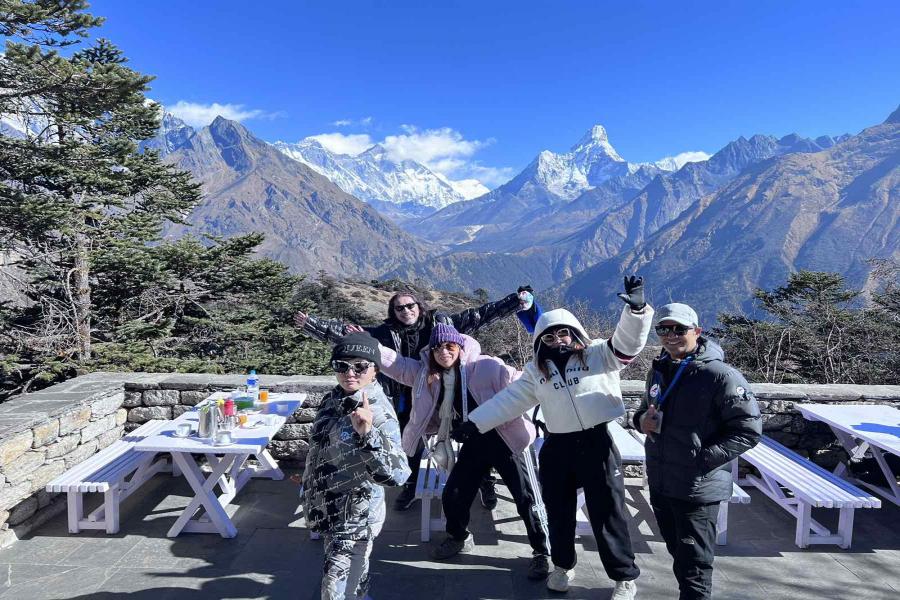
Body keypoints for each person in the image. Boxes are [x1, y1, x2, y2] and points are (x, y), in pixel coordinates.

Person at [456, 276, 652, 599]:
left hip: (597, 444)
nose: (557, 340)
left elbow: (627, 344)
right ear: (539, 341)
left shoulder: (599, 355)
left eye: (564, 333)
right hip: (557, 446)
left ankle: (623, 576)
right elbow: (509, 401)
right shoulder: (537, 372)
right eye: (548, 336)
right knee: (558, 511)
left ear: (575, 333)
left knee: (608, 513)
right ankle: (562, 566)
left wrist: (637, 311)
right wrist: (475, 423)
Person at [296, 286, 537, 511]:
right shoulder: (385, 333)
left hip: (450, 394)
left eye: (410, 305)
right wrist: (311, 325)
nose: (406, 311)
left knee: (476, 437)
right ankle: (410, 485)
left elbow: (480, 315)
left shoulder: (442, 323)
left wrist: (515, 302)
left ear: (419, 306)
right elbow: (352, 342)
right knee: (410, 439)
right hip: (409, 395)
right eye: (399, 308)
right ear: (393, 312)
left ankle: (485, 483)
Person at [377, 322, 552, 579]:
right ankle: (458, 536)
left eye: (449, 346)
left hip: (508, 441)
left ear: (459, 346)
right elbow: (398, 365)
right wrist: (370, 346)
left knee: (527, 499)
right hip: (473, 444)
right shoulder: (433, 377)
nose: (444, 352)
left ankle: (543, 552)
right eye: (437, 348)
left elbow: (523, 384)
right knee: (454, 495)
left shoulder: (486, 366)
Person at [633, 303, 761, 600]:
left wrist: (701, 460)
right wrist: (641, 421)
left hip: (697, 487)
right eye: (664, 329)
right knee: (678, 553)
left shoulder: (720, 376)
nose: (671, 335)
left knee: (695, 564)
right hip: (663, 481)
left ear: (697, 332)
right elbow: (643, 412)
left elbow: (748, 430)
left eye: (680, 329)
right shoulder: (659, 370)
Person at [302, 332, 411, 600]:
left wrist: (367, 434)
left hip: (354, 520)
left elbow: (397, 475)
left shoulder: (378, 413)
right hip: (330, 510)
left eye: (360, 366)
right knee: (352, 584)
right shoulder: (335, 397)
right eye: (342, 365)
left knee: (333, 591)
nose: (350, 373)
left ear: (374, 370)